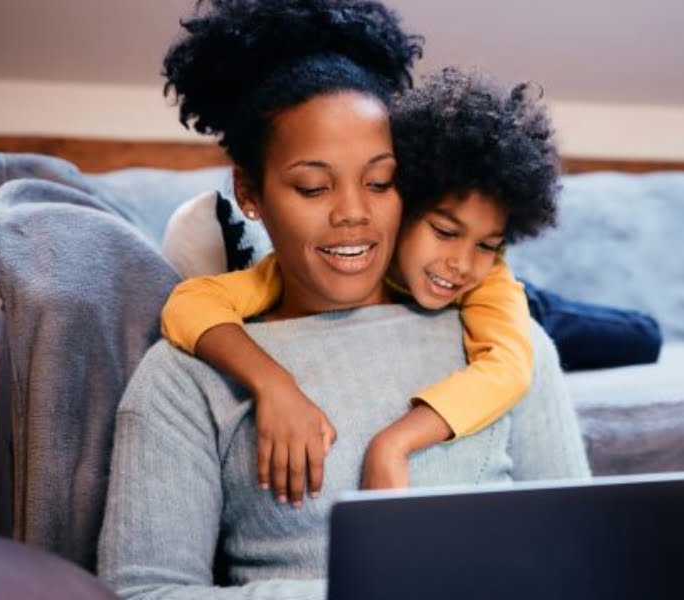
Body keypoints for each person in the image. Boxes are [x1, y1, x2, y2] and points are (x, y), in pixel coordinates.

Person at [96, 1, 589, 597]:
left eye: (380, 182)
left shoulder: (510, 347)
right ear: (250, 193)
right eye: (312, 187)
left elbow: (581, 560)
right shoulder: (184, 378)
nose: (354, 213)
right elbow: (144, 593)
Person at [159, 66, 561, 506]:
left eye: (486, 244)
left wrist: (396, 442)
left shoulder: (485, 275)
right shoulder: (330, 260)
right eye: (445, 232)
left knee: (596, 329)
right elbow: (189, 303)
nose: (462, 260)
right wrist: (273, 384)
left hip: (509, 303)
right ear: (408, 203)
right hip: (436, 285)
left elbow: (508, 368)